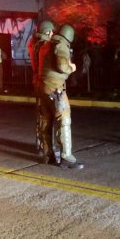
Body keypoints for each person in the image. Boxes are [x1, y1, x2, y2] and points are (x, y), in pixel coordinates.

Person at [38, 24, 83, 169]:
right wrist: (72, 68)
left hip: (43, 88)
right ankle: (66, 157)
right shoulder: (61, 45)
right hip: (56, 89)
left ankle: (47, 154)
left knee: (45, 121)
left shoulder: (46, 44)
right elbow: (62, 66)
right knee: (64, 119)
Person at [28, 20, 55, 163]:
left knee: (40, 114)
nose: (52, 34)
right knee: (47, 115)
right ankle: (47, 148)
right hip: (44, 82)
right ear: (46, 31)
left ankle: (40, 144)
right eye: (50, 31)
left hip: (36, 82)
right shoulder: (44, 46)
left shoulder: (33, 43)